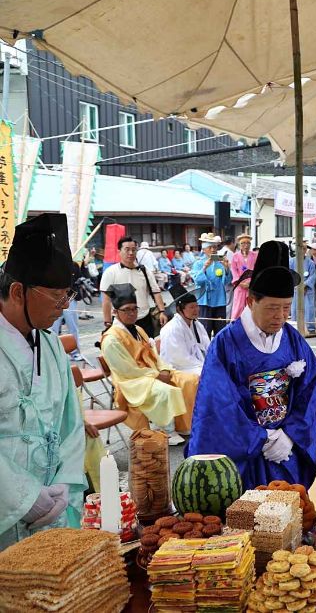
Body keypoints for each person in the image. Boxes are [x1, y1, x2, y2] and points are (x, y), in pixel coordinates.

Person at [187, 241, 316, 490]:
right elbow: (218, 405)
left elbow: (309, 390)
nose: (280, 316)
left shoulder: (293, 341)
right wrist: (260, 438)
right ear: (250, 302)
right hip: (244, 450)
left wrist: (290, 434)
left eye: (285, 308)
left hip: (285, 447)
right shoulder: (226, 344)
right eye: (272, 308)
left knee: (290, 509)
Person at [0, 213, 86, 550]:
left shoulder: (50, 345)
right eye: (57, 298)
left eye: (68, 298)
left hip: (54, 506)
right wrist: (21, 496)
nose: (63, 309)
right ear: (19, 292)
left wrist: (66, 483)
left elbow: (70, 425)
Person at [100, 284, 197, 446]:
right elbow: (127, 370)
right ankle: (165, 429)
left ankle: (184, 425)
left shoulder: (138, 329)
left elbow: (154, 355)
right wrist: (156, 375)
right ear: (115, 312)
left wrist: (164, 369)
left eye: (134, 309)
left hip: (151, 372)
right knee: (166, 390)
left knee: (191, 380)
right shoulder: (111, 339)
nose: (132, 313)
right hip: (131, 381)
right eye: (126, 310)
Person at [99, 236, 168, 338]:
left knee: (147, 349)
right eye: (127, 249)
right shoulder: (110, 272)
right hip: (120, 322)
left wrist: (162, 311)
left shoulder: (145, 271)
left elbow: (156, 292)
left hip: (144, 319)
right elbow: (106, 300)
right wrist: (108, 322)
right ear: (119, 251)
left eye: (133, 250)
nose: (131, 253)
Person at [159, 285, 209, 375]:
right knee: (207, 374)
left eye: (197, 306)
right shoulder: (172, 329)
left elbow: (207, 346)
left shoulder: (197, 325)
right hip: (178, 368)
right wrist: (203, 365)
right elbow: (179, 359)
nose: (196, 310)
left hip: (196, 363)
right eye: (192, 307)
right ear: (179, 309)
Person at [192, 232, 232, 338]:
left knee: (220, 332)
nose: (213, 250)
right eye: (210, 247)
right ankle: (205, 353)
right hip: (204, 301)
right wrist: (204, 268)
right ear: (204, 249)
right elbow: (197, 281)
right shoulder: (198, 263)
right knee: (205, 331)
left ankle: (219, 353)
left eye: (214, 247)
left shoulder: (220, 262)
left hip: (219, 300)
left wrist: (227, 268)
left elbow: (227, 282)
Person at [289, 242, 316, 333]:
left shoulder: (310, 262)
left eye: (304, 248)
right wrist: (297, 285)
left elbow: (313, 276)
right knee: (294, 309)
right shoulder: (291, 261)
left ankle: (311, 328)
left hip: (307, 289)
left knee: (309, 309)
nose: (302, 250)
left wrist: (305, 285)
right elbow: (289, 274)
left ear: (306, 250)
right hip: (295, 289)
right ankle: (294, 329)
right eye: (300, 248)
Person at [230, 234, 257, 320]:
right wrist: (240, 282)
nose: (246, 245)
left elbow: (258, 270)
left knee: (252, 307)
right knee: (238, 308)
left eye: (248, 243)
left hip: (252, 286)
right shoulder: (235, 256)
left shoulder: (255, 255)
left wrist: (251, 282)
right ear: (239, 245)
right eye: (243, 243)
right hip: (240, 287)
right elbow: (234, 270)